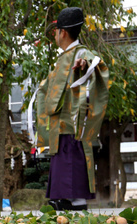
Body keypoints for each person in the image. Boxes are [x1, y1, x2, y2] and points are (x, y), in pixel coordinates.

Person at [36, 7, 109, 211]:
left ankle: (75, 201)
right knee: (63, 162)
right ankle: (65, 200)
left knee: (72, 160)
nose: (56, 35)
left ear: (63, 32)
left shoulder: (81, 53)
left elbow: (94, 63)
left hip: (72, 125)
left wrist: (85, 64)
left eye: (56, 31)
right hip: (60, 125)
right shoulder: (64, 57)